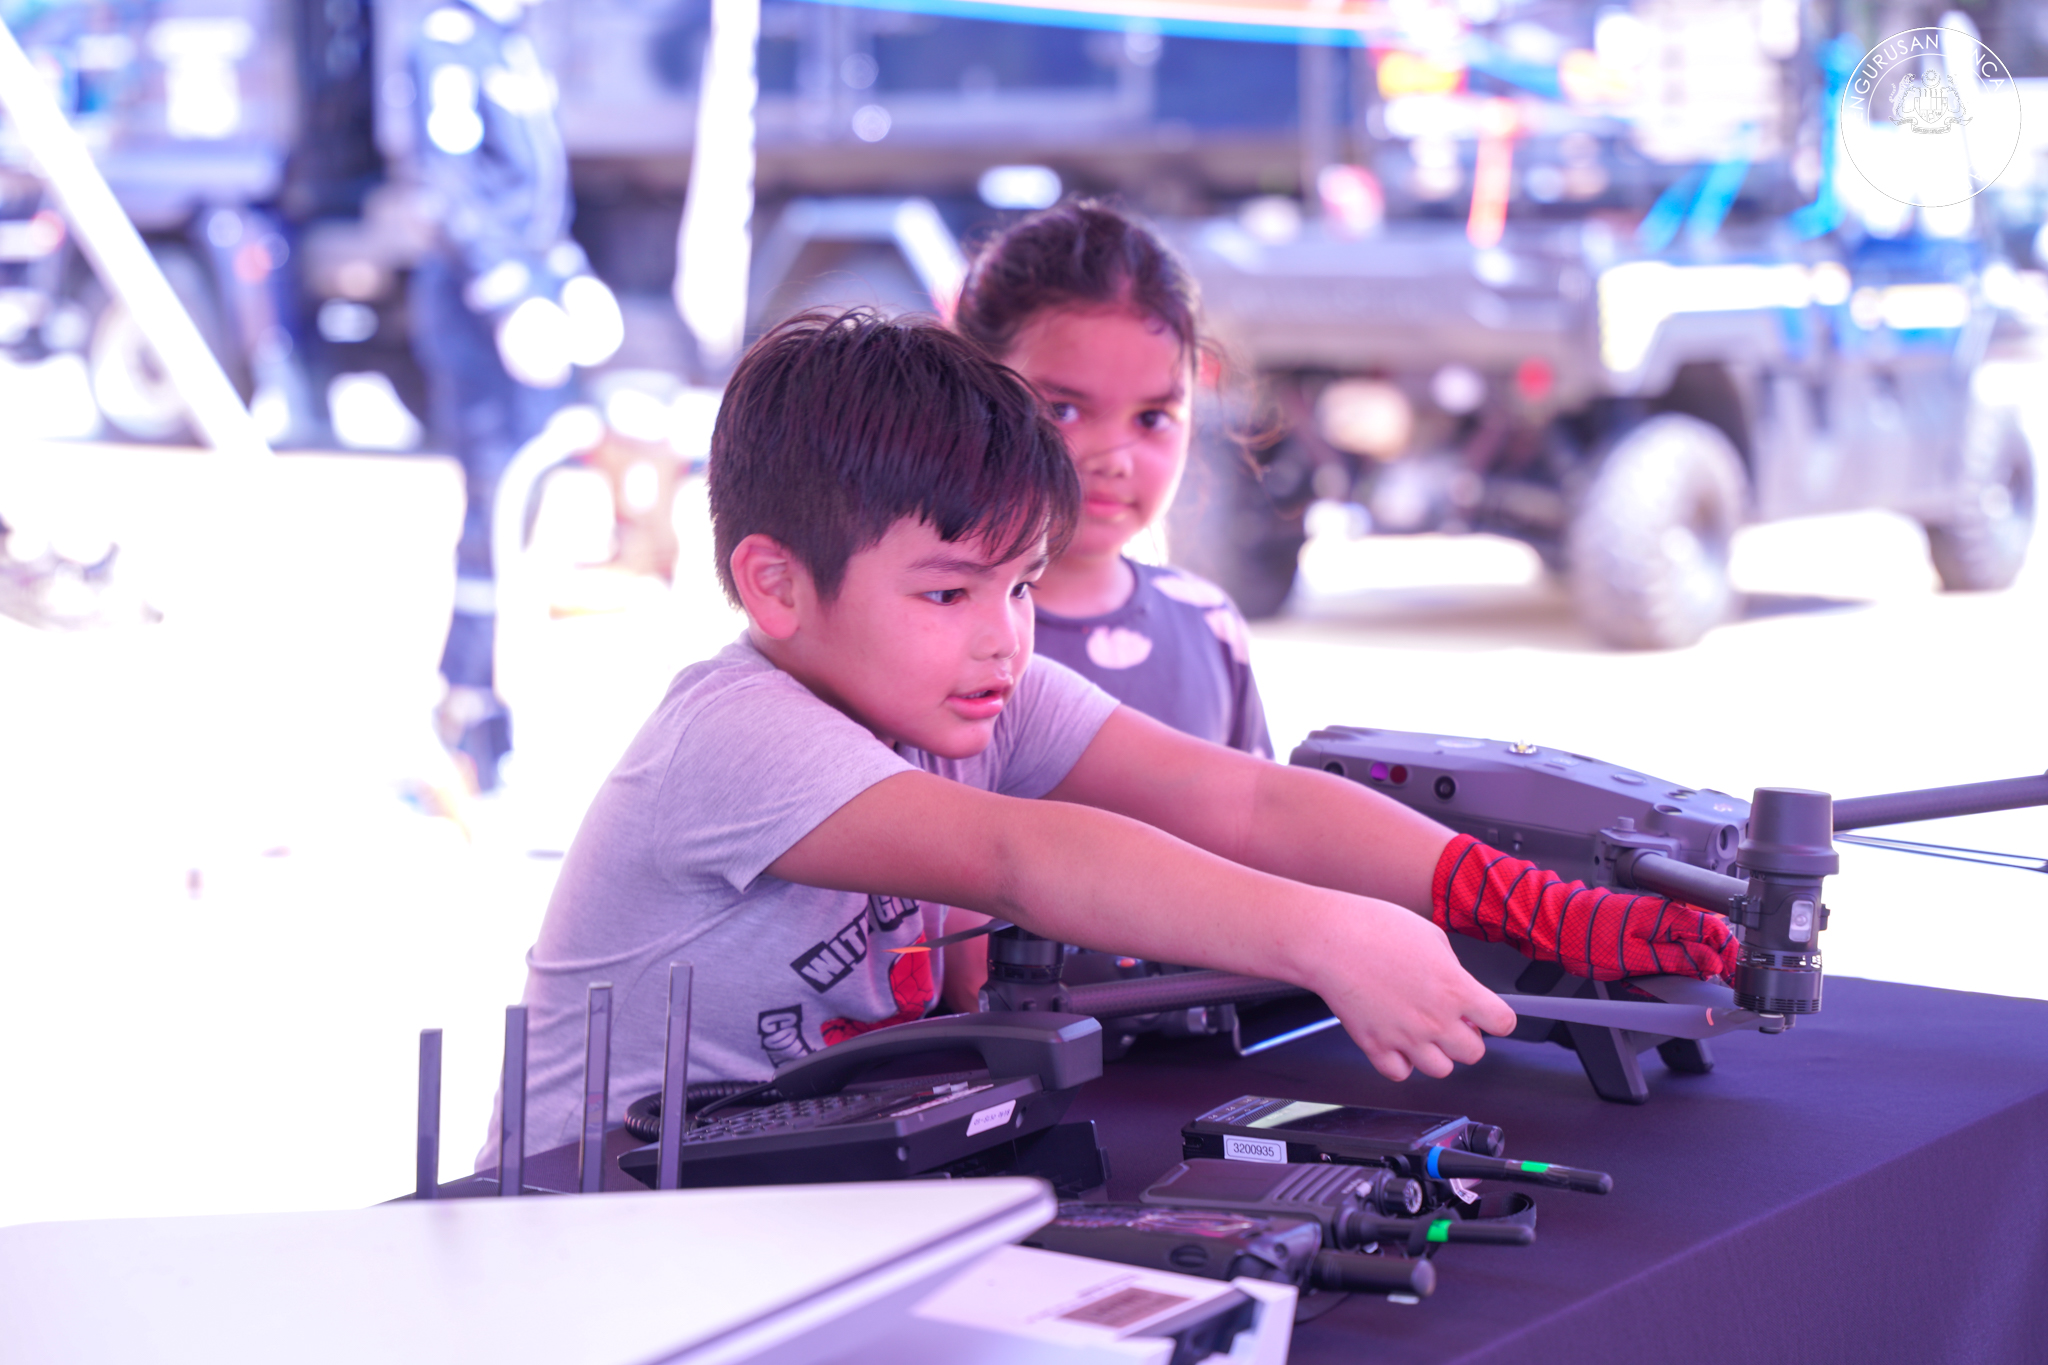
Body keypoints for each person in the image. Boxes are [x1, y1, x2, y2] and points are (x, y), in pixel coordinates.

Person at [479, 311, 1736, 1167]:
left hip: (797, 1179)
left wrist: (1528, 902)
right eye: (946, 591)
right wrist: (1327, 933)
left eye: (1022, 584)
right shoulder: (732, 735)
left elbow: (1244, 802)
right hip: (589, 1218)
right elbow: (1026, 859)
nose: (1004, 638)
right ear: (775, 585)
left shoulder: (969, 688)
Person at [948, 203, 1266, 1014]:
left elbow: (1262, 846)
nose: (1113, 456)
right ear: (971, 391)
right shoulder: (932, 644)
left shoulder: (1207, 625)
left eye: (1153, 418)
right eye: (1063, 410)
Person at [406, 0, 624, 790]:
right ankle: (463, 702)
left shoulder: (513, 42)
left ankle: (490, 702)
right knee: (493, 509)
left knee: (524, 509)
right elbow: (451, 188)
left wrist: (567, 274)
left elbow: (529, 196)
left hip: (531, 295)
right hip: (478, 312)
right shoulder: (450, 41)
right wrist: (507, 295)